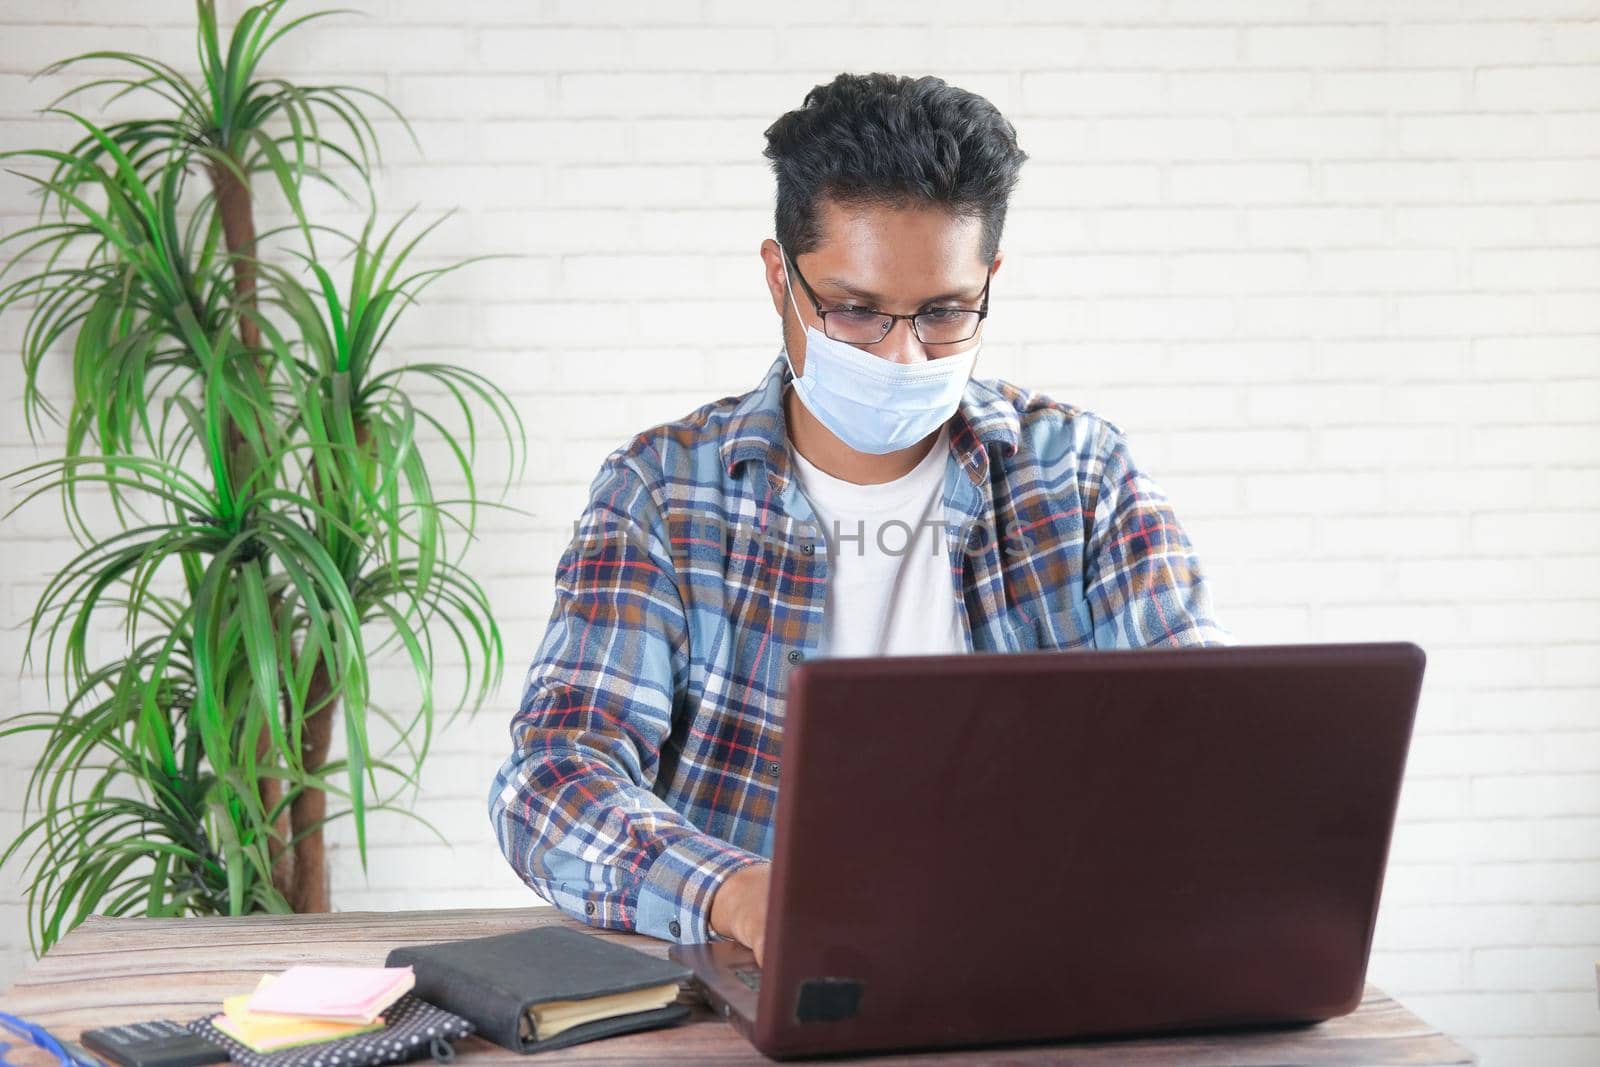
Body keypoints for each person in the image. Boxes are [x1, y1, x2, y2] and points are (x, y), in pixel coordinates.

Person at [489, 72, 1234, 968]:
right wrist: (736, 894)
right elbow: (553, 777)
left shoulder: (1078, 476)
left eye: (946, 313)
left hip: (1038, 966)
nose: (902, 353)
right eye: (855, 310)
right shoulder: (663, 492)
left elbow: (1206, 739)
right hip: (764, 978)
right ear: (780, 279)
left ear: (990, 281)